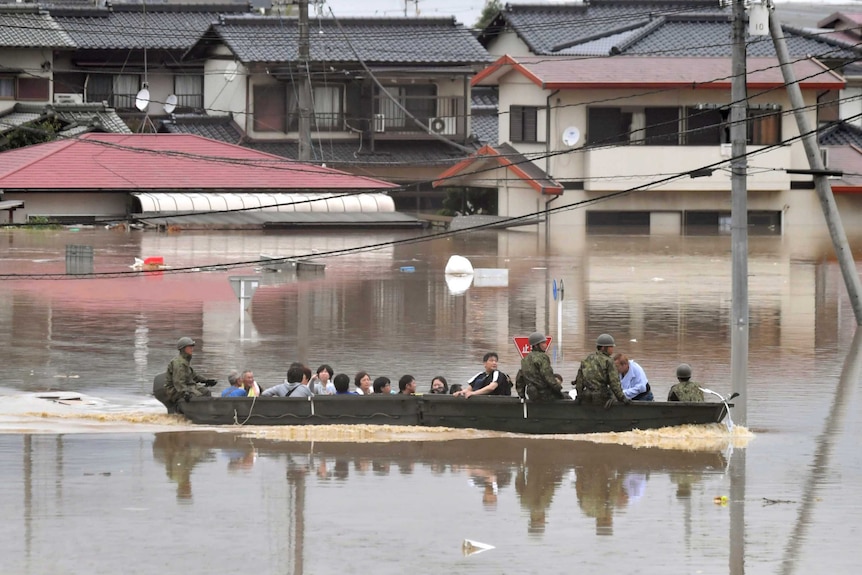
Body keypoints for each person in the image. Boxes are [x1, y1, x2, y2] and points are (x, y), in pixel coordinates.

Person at [573, 333, 630, 408]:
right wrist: (623, 398)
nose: (612, 349)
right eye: (611, 347)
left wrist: (579, 396)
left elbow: (579, 381)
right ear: (604, 348)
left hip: (586, 396)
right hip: (602, 397)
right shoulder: (609, 361)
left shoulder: (586, 359)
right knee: (613, 397)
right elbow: (614, 383)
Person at [164, 337, 216, 410]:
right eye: (189, 347)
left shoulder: (185, 361)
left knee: (206, 391)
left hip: (187, 387)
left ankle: (208, 410)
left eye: (192, 347)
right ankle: (197, 413)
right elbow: (178, 382)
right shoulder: (178, 363)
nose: (192, 349)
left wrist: (206, 380)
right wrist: (185, 392)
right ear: (183, 349)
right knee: (197, 395)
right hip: (175, 391)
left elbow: (194, 376)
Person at [515, 332, 564, 401]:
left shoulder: (524, 359)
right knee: (567, 396)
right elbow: (548, 376)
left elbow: (520, 379)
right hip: (545, 395)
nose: (545, 345)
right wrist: (558, 388)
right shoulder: (542, 357)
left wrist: (522, 396)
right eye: (543, 343)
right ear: (536, 345)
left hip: (532, 396)